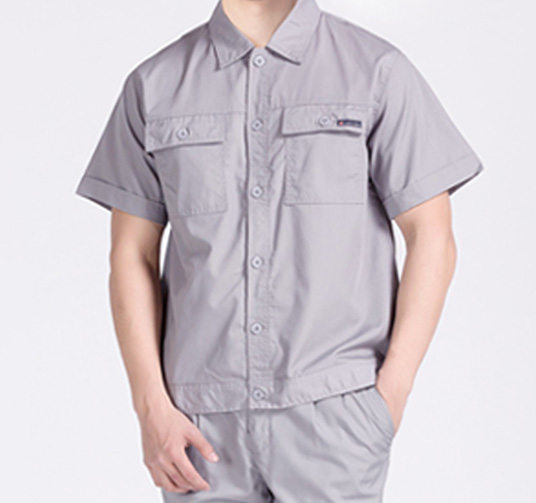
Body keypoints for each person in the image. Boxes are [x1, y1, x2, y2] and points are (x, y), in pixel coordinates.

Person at [74, 0, 485, 501]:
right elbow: (130, 256)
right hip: (198, 422)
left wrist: (389, 394)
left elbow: (432, 237)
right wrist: (151, 408)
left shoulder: (376, 71)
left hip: (334, 411)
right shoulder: (154, 84)